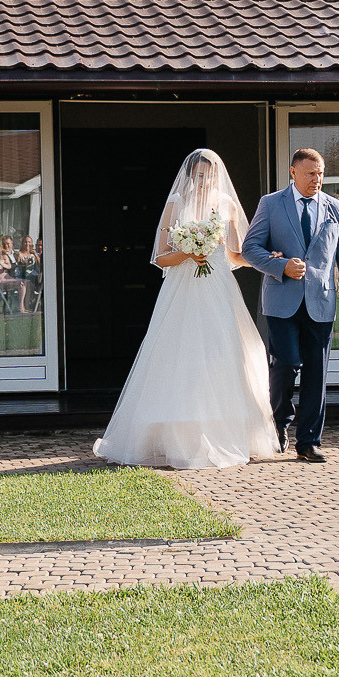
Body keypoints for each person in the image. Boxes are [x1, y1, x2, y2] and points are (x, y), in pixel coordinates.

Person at [93, 149, 280, 469]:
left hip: (218, 288)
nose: (205, 180)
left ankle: (228, 433)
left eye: (210, 174)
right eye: (200, 174)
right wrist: (189, 254)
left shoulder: (228, 205)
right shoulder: (176, 203)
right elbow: (161, 256)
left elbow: (235, 255)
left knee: (222, 354)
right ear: (191, 175)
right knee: (179, 355)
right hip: (183, 289)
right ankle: (174, 437)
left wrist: (266, 259)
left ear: (218, 175)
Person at [241, 147, 339, 463]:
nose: (316, 179)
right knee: (287, 364)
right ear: (293, 172)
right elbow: (250, 248)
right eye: (310, 173)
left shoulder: (336, 208)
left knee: (315, 374)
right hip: (281, 301)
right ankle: (278, 422)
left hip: (320, 302)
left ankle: (308, 442)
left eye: (320, 173)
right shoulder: (271, 204)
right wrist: (280, 267)